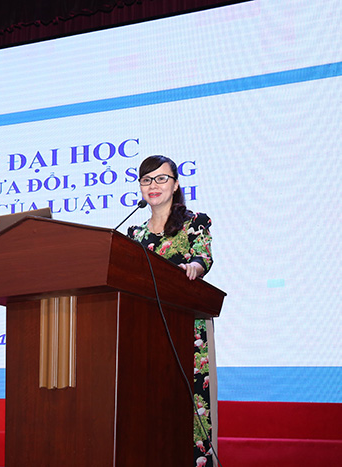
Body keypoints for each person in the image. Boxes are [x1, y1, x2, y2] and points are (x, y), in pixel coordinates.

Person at [127, 154, 217, 467]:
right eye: (146, 180)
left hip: (185, 332)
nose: (153, 185)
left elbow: (202, 258)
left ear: (175, 184)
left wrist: (194, 267)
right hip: (144, 332)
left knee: (187, 411)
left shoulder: (195, 222)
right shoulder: (134, 235)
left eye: (161, 178)